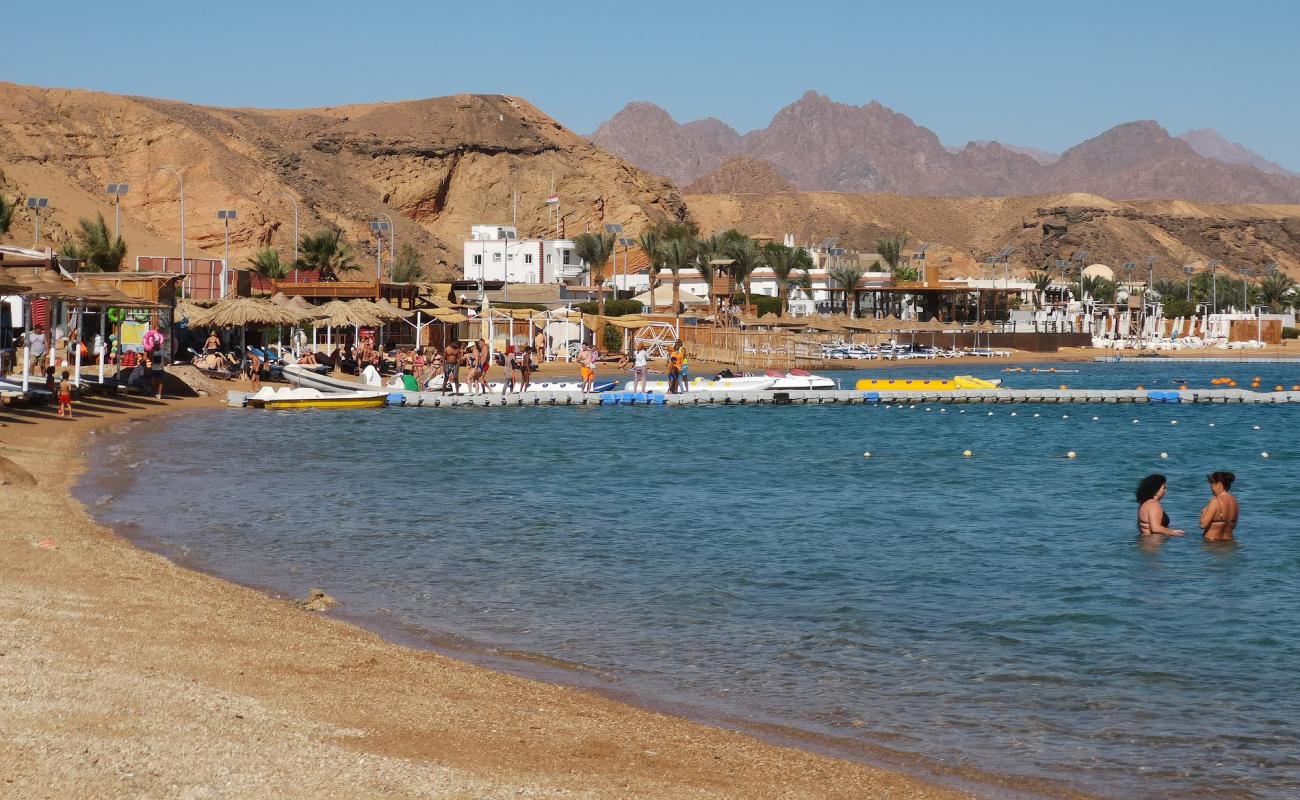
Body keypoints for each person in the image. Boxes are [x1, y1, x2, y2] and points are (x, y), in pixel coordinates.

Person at [1200, 471, 1239, 542]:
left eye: (1211, 485)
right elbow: (1233, 526)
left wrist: (1204, 513)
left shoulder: (1215, 501)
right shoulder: (1235, 502)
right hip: (1229, 542)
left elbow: (1202, 525)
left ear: (1219, 485)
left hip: (1211, 542)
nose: (1211, 489)